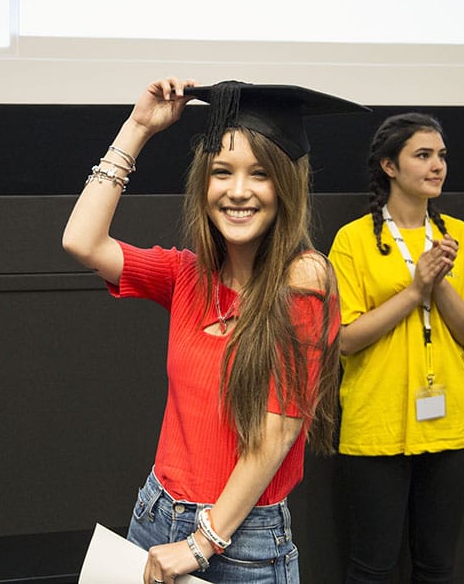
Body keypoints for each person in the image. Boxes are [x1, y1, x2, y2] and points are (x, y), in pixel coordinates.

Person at [62, 77, 368, 583]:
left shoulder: (305, 278)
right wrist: (138, 127)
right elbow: (81, 240)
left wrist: (203, 542)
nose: (238, 191)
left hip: (238, 539)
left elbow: (279, 429)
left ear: (285, 186)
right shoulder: (188, 274)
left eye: (260, 174)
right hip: (155, 515)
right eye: (222, 173)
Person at [327, 112, 464, 583]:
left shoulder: (457, 235)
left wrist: (439, 285)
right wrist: (413, 289)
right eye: (422, 155)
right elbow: (344, 339)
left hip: (449, 425)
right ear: (389, 166)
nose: (437, 166)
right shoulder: (354, 239)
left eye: (441, 155)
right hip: (377, 424)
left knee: (437, 567)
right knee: (372, 568)